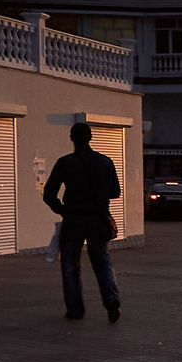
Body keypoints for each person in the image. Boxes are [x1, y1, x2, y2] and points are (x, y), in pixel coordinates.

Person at [41, 122, 123, 322]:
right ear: (91, 137)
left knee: (70, 265)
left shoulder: (65, 163)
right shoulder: (105, 162)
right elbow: (115, 192)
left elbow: (49, 193)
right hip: (98, 218)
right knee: (102, 262)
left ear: (72, 138)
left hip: (74, 220)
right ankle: (111, 302)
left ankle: (75, 309)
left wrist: (63, 210)